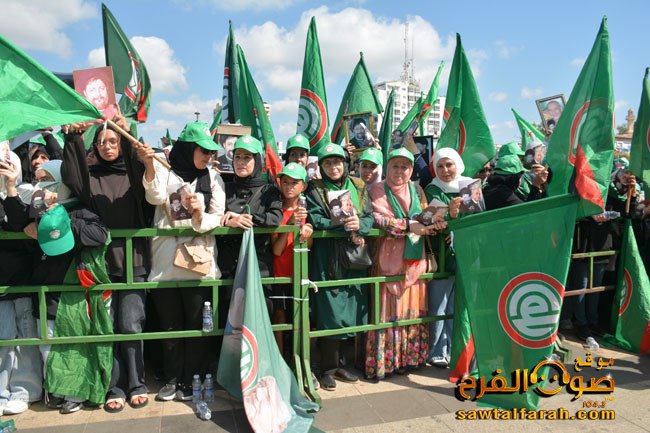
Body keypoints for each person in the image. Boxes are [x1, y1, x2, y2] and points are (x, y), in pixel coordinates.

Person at [1, 159, 113, 414]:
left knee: (71, 344)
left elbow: (99, 235)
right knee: (47, 345)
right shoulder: (36, 209)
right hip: (43, 290)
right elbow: (17, 220)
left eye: (46, 179)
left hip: (70, 293)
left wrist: (58, 220)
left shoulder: (79, 209)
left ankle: (76, 393)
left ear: (62, 183)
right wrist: (12, 189)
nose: (40, 185)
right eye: (38, 179)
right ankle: (58, 391)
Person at [61, 115, 152, 413]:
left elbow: (140, 170)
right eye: (101, 142)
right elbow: (72, 176)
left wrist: (125, 133)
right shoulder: (91, 177)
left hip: (134, 262)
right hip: (100, 265)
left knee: (130, 325)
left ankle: (136, 384)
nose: (107, 146)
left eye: (113, 141)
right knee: (108, 327)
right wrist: (73, 137)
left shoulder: (134, 175)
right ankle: (115, 387)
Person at [138, 121, 226, 403]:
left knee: (197, 324)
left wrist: (199, 216)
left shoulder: (213, 178)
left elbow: (218, 216)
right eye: (203, 151)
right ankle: (172, 378)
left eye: (210, 152)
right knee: (169, 325)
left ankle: (192, 379)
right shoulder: (165, 171)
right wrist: (149, 165)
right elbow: (154, 196)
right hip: (165, 263)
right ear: (188, 148)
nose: (208, 157)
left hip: (198, 263)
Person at [365, 148, 446, 380]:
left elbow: (422, 216)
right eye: (395, 166)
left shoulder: (416, 189)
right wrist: (408, 226)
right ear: (387, 168)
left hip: (413, 259)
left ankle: (408, 359)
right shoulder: (375, 190)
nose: (400, 171)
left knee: (411, 309)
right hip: (387, 258)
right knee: (387, 309)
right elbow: (376, 219)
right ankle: (385, 363)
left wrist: (434, 222)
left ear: (411, 170)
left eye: (405, 167)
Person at [305, 143, 373, 390]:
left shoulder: (359, 186)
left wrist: (360, 225)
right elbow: (315, 218)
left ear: (345, 164)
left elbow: (369, 216)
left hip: (354, 258)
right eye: (327, 163)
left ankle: (342, 363)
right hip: (328, 259)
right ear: (321, 166)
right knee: (330, 313)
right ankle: (326, 368)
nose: (333, 167)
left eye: (337, 162)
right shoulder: (315, 189)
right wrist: (340, 224)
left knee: (352, 311)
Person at [0, 155, 40, 417]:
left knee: (25, 338)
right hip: (2, 284)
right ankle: (2, 391)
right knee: (3, 339)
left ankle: (26, 390)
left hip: (24, 278)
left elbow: (21, 222)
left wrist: (10, 187)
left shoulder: (27, 191)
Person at [423, 148, 471, 367]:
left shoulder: (469, 186)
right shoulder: (432, 189)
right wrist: (452, 217)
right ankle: (436, 351)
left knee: (455, 306)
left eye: (449, 164)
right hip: (441, 256)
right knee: (438, 305)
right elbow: (435, 218)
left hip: (464, 256)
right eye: (440, 166)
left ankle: (452, 348)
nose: (445, 170)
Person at [271, 163, 313, 352]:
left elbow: (309, 246)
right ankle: (279, 358)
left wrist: (308, 229)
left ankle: (303, 358)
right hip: (279, 273)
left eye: (294, 182)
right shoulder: (275, 211)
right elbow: (276, 250)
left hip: (301, 274)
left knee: (302, 315)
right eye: (285, 182)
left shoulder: (308, 211)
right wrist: (289, 223)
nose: (289, 186)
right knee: (279, 317)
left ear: (304, 186)